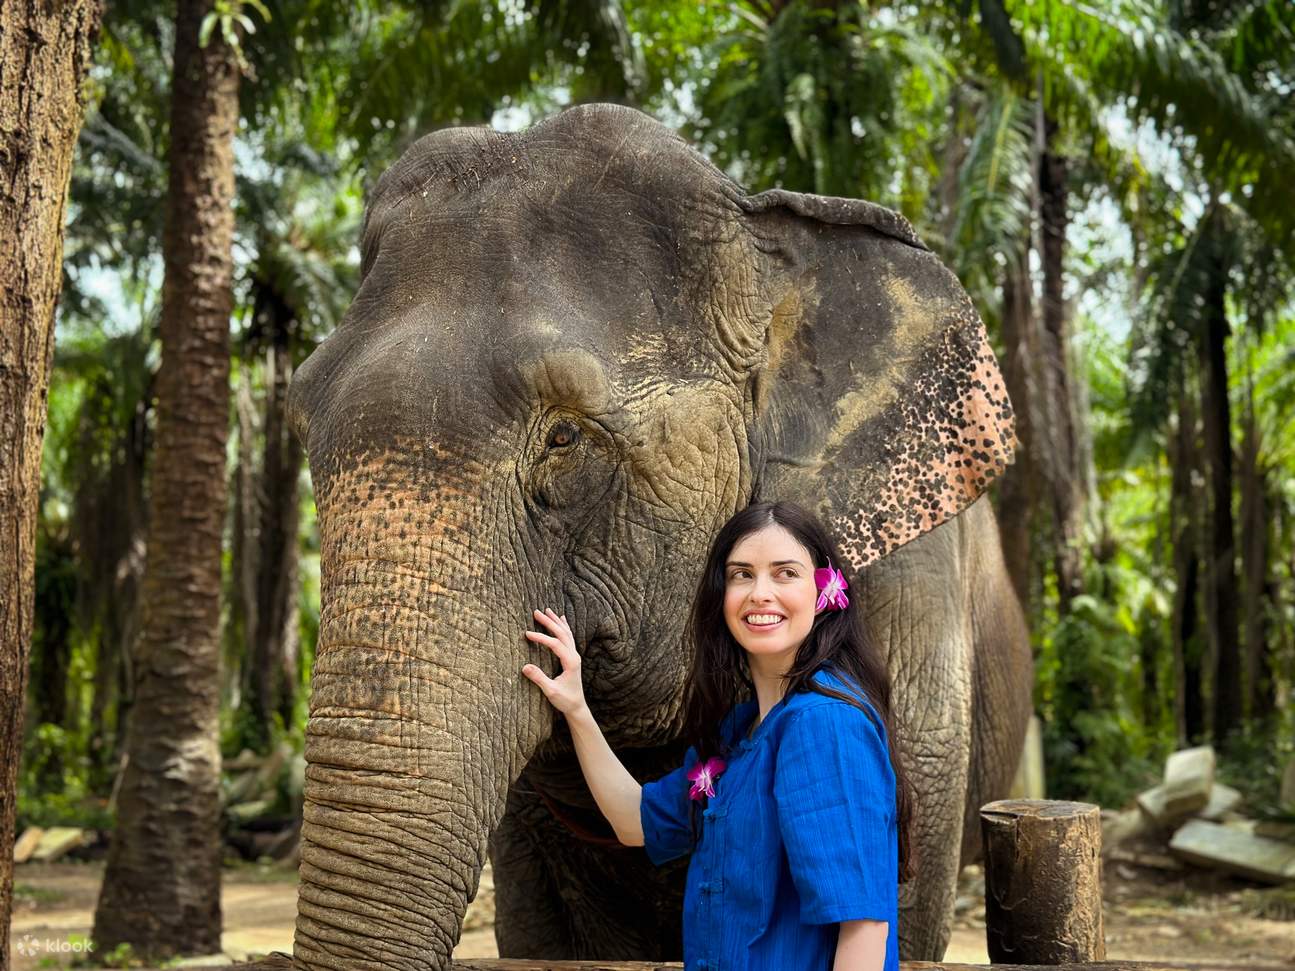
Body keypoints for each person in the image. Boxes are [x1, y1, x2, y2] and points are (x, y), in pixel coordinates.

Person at [521, 500, 914, 971]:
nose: (760, 593)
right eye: (741, 574)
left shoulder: (824, 724)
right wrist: (576, 708)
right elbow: (634, 822)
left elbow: (863, 928)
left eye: (786, 573)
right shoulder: (738, 733)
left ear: (826, 593)